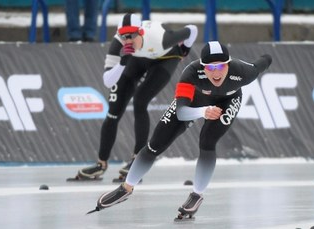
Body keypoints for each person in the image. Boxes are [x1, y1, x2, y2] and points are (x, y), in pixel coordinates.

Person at [87, 41, 272, 219]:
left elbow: (262, 63)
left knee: (207, 142)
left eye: (221, 67)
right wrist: (203, 111)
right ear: (202, 67)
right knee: (154, 145)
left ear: (229, 65)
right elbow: (182, 112)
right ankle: (126, 188)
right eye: (210, 68)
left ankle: (197, 194)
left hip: (228, 101)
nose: (216, 73)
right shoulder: (191, 73)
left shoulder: (243, 72)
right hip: (195, 102)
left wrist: (268, 56)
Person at [70, 13, 198, 181]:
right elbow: (108, 81)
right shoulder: (118, 44)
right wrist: (123, 62)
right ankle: (101, 163)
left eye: (132, 35)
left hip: (164, 58)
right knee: (113, 111)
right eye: (124, 36)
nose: (128, 40)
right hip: (135, 59)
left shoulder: (163, 38)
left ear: (141, 32)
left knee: (140, 101)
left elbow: (192, 30)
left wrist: (184, 50)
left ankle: (138, 160)